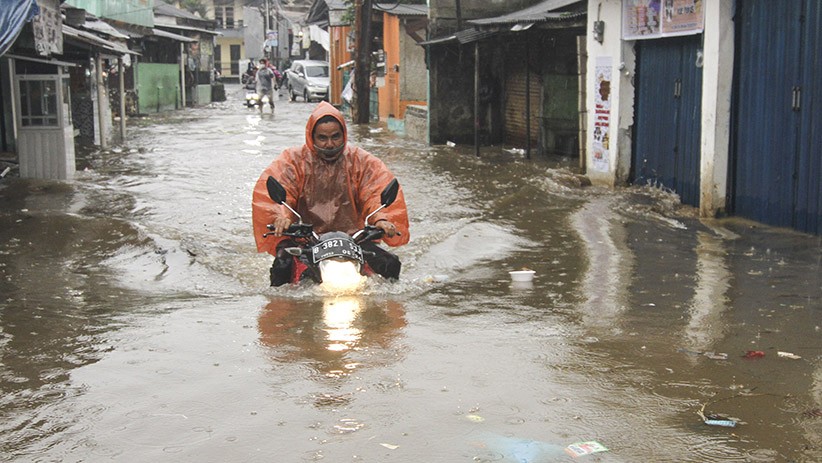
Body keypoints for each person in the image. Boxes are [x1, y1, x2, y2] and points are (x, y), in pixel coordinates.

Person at [252, 101, 410, 286]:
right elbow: (281, 190)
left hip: (353, 239)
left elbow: (375, 192)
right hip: (305, 240)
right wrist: (282, 216)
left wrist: (381, 218)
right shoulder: (292, 161)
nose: (329, 144)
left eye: (335, 137)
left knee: (391, 264)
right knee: (282, 265)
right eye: (322, 138)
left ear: (344, 134)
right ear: (312, 137)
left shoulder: (362, 162)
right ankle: (279, 307)